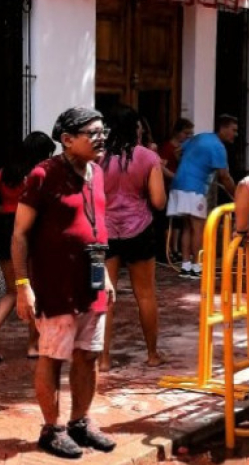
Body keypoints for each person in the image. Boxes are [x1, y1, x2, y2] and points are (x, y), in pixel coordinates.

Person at [13, 107, 117, 460]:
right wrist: (23, 284)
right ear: (68, 140)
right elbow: (19, 235)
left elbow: (94, 228)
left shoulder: (97, 174)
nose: (102, 139)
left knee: (88, 355)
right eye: (94, 133)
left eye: (104, 132)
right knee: (53, 356)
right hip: (55, 286)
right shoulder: (43, 175)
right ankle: (51, 428)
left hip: (91, 284)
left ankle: (80, 422)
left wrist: (101, 274)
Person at [98, 105, 166, 372]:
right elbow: (159, 201)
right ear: (134, 128)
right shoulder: (147, 157)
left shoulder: (97, 158)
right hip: (140, 229)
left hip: (105, 231)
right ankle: (152, 354)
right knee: (146, 294)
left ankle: (103, 360)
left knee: (105, 296)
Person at [0, 131, 54, 362]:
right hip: (28, 232)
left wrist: (7, 212)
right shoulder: (38, 175)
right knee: (34, 289)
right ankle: (33, 345)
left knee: (13, 290)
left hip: (5, 231)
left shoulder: (6, 172)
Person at [167, 114, 238, 279]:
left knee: (187, 227)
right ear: (223, 128)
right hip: (194, 188)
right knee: (198, 228)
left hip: (178, 184)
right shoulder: (218, 147)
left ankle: (186, 266)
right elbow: (224, 176)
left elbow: (178, 151)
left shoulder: (200, 137)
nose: (235, 134)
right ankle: (197, 268)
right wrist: (237, 195)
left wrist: (190, 164)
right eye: (233, 130)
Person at [159, 118, 195, 262]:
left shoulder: (183, 148)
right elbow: (162, 167)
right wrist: (175, 177)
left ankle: (176, 248)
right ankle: (168, 250)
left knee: (180, 221)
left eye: (190, 134)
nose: (187, 137)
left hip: (181, 187)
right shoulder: (168, 147)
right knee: (170, 220)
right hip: (169, 186)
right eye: (185, 133)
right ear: (177, 132)